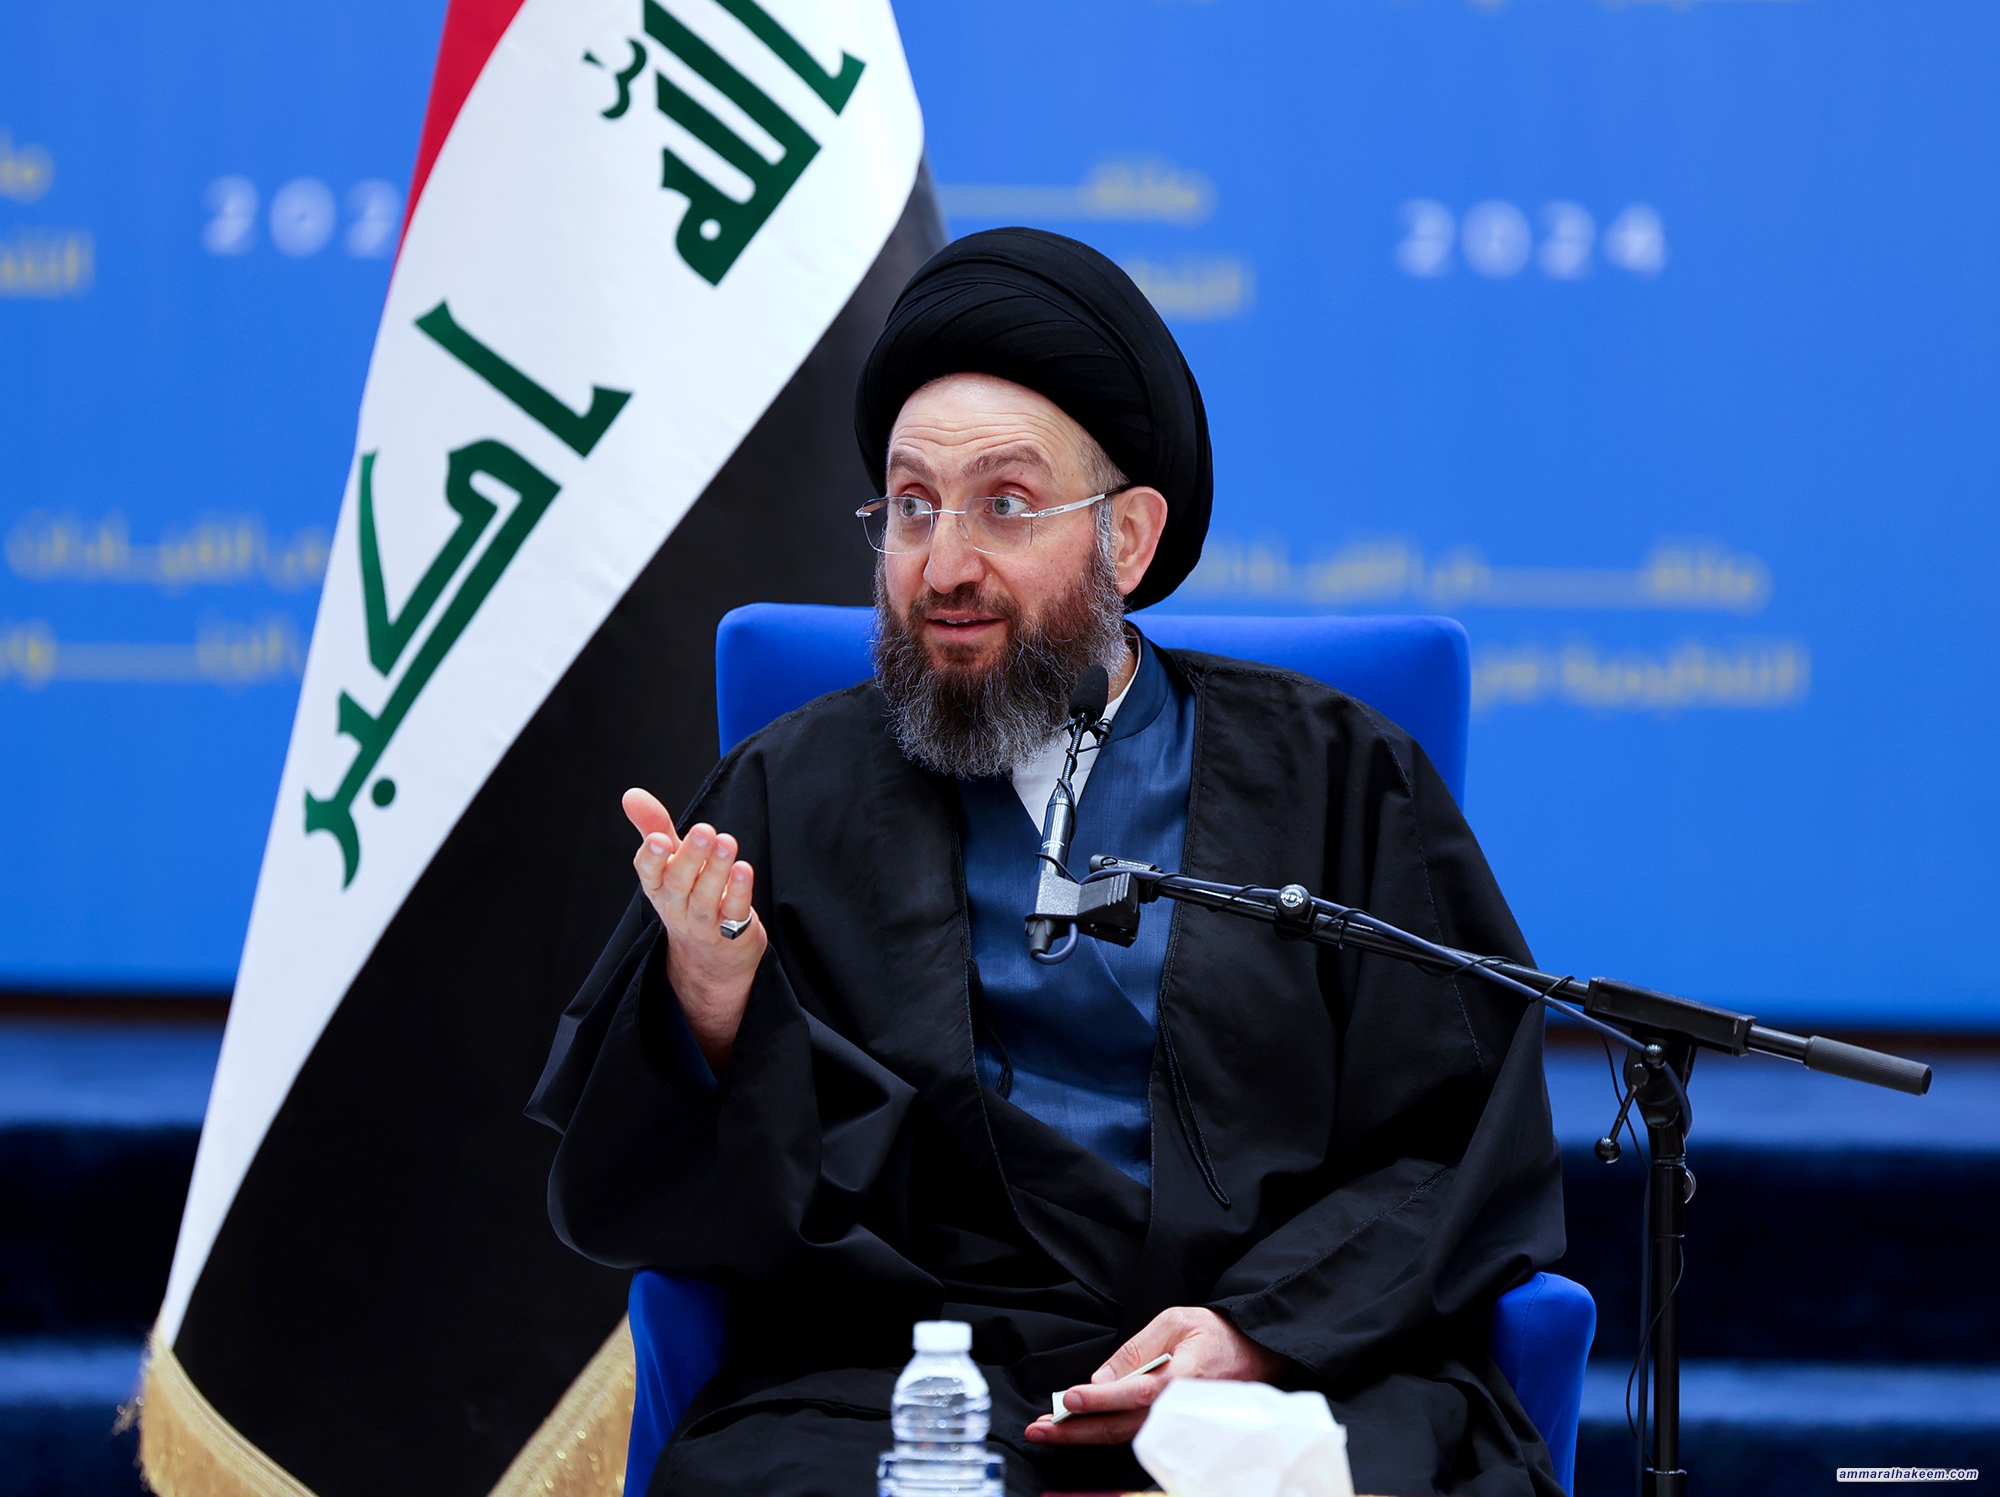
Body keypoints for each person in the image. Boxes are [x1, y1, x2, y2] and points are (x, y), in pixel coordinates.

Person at [529, 228, 1566, 1497]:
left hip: (1284, 1354)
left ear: (1126, 538)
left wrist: (1254, 1334)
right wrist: (707, 996)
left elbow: (1458, 1136)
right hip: (903, 1364)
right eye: (911, 508)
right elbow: (651, 1188)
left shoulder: (1336, 774)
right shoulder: (787, 791)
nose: (943, 566)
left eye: (1005, 507)